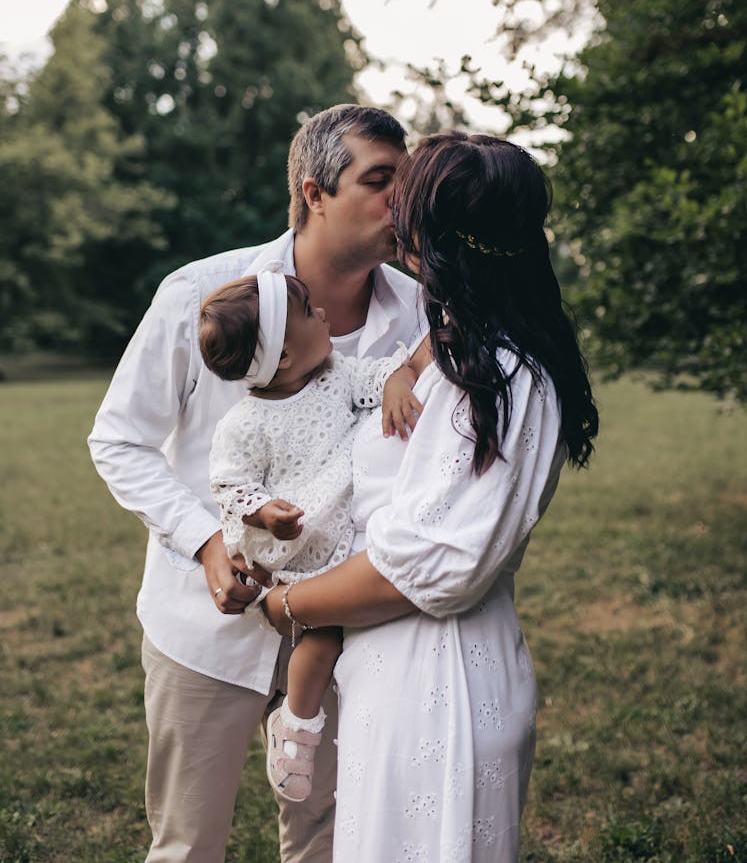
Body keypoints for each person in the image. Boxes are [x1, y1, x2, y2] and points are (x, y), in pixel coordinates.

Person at [87, 104, 424, 863]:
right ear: (314, 192)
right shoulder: (198, 295)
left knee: (330, 843)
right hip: (201, 633)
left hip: (351, 633)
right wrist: (207, 540)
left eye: (406, 183)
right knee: (188, 844)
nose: (400, 202)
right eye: (379, 181)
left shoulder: (422, 321)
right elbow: (119, 438)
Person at [260, 130, 599, 862]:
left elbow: (425, 570)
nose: (395, 216)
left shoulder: (504, 378)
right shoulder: (463, 350)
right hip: (393, 680)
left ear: (443, 240)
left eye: (408, 202)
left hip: (439, 689)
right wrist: (405, 367)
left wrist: (286, 605)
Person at [198, 269, 423, 804]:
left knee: (340, 636)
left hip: (345, 531)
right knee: (320, 637)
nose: (322, 314)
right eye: (307, 313)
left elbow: (380, 377)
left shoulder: (336, 376)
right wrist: (263, 513)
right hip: (299, 544)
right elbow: (230, 484)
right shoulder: (245, 423)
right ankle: (297, 729)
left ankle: (312, 724)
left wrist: (397, 380)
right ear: (280, 357)